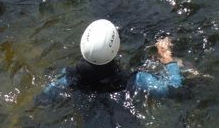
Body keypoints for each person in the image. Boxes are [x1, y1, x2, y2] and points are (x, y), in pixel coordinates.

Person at [42, 19, 182, 98]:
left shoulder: (69, 77)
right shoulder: (136, 80)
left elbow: (44, 97)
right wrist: (168, 58)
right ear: (117, 47)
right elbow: (173, 89)